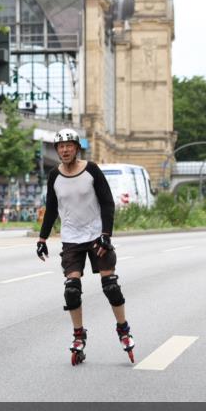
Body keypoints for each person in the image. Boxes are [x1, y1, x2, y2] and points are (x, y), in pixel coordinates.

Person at [35, 128, 135, 366]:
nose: (65, 150)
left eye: (69, 145)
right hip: (71, 238)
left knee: (110, 286)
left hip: (96, 236)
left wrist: (106, 235)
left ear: (77, 148)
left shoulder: (91, 170)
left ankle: (123, 329)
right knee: (71, 289)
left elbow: (108, 203)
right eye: (61, 146)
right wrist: (42, 238)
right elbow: (50, 209)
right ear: (57, 150)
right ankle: (79, 335)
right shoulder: (54, 176)